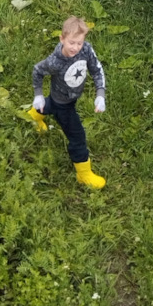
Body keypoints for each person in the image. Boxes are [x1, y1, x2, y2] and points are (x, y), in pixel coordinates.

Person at [31, 15, 106, 188]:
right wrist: (38, 94)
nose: (75, 47)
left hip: (69, 98)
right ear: (62, 39)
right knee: (77, 135)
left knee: (49, 105)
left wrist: (100, 94)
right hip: (63, 104)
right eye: (72, 43)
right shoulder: (55, 61)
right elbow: (37, 71)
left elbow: (97, 69)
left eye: (79, 43)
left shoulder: (86, 50)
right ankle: (84, 174)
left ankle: (33, 115)